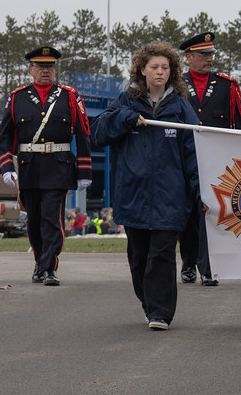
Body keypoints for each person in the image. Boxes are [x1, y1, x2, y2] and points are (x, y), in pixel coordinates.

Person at [91, 41, 202, 330]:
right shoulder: (126, 101)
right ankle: (148, 303)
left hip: (171, 196)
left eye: (166, 67)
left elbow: (195, 151)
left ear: (172, 71)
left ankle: (160, 313)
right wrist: (126, 119)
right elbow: (98, 133)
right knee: (138, 258)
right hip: (133, 194)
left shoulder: (181, 107)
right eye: (154, 67)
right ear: (142, 70)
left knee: (161, 255)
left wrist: (199, 190)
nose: (160, 72)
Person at [0, 46, 92, 286]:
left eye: (50, 66)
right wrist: (7, 166)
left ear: (55, 68)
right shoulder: (17, 96)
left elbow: (83, 133)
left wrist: (84, 170)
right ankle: (40, 261)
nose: (45, 71)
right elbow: (5, 135)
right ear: (31, 69)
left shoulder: (70, 96)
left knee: (52, 218)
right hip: (29, 167)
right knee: (34, 220)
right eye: (40, 67)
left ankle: (50, 267)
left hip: (58, 166)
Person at [177, 31, 241, 287]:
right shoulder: (177, 85)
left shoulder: (227, 86)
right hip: (183, 159)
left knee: (212, 214)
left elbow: (240, 125)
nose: (209, 59)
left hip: (216, 161)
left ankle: (209, 268)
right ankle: (188, 262)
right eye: (203, 54)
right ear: (189, 57)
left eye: (211, 54)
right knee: (187, 215)